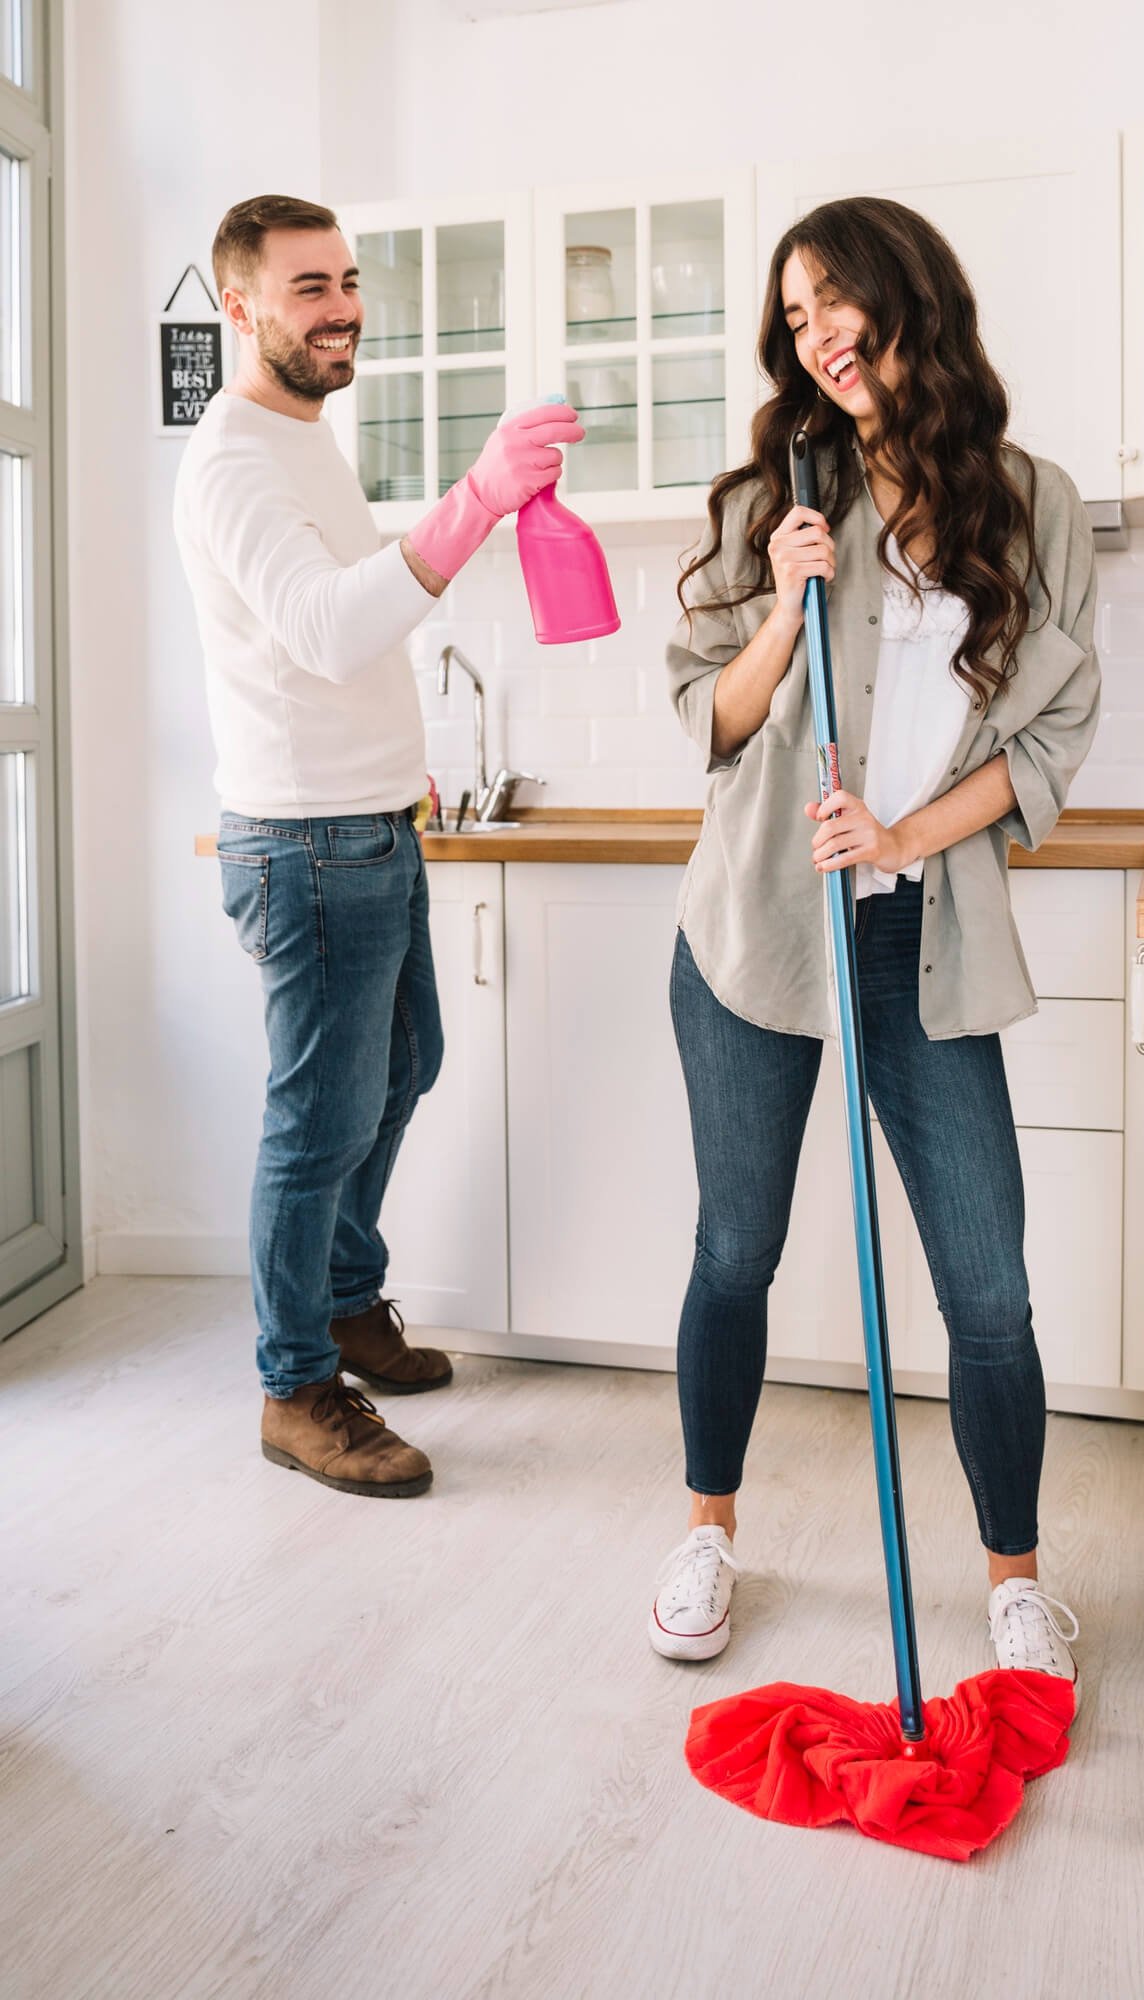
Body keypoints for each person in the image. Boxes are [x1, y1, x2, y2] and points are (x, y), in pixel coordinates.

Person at [653, 197, 1099, 1678]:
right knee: (736, 1249)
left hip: (919, 931)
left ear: (909, 295)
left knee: (987, 1287)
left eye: (834, 294)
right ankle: (708, 1532)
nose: (816, 329)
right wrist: (782, 607)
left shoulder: (1030, 502)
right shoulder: (774, 496)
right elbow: (706, 722)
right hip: (758, 925)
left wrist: (906, 837)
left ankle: (1015, 1585)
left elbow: (1050, 730)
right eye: (792, 315)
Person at [174, 194, 582, 1498]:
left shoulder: (304, 441)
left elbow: (329, 638)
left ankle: (347, 1301)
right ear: (240, 305)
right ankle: (294, 1384)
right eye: (308, 287)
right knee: (318, 1116)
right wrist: (476, 495)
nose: (342, 305)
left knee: (404, 1065)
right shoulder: (232, 454)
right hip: (303, 848)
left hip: (368, 825)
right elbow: (330, 629)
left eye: (347, 279)